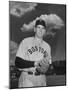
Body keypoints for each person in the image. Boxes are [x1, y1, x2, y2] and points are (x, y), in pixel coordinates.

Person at [15, 19, 52, 88]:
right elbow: (17, 62)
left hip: (42, 79)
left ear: (45, 31)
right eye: (38, 27)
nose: (41, 30)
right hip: (27, 78)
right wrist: (35, 63)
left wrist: (46, 68)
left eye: (43, 28)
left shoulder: (47, 46)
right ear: (34, 29)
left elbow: (49, 63)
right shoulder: (25, 41)